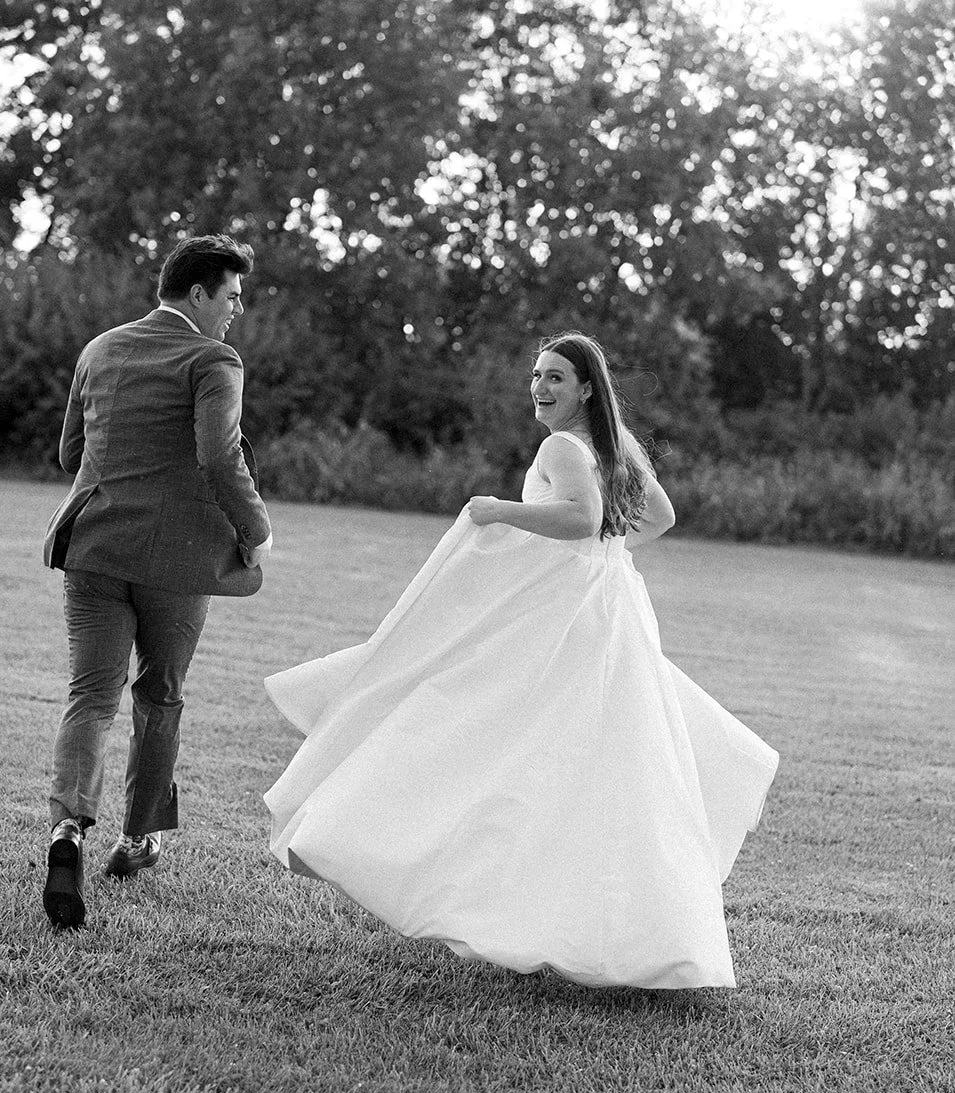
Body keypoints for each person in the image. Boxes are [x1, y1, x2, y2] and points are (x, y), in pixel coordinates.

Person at [263, 331, 778, 989]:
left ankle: (396, 844)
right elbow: (656, 517)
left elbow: (578, 517)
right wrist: (608, 556)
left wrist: (499, 509)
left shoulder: (562, 446)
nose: (539, 387)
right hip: (606, 611)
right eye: (536, 376)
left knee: (489, 726)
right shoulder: (613, 447)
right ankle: (614, 927)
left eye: (555, 377)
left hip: (573, 619)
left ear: (586, 387)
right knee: (601, 759)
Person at [41, 234, 272, 931]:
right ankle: (137, 840)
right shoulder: (212, 358)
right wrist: (255, 530)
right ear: (198, 293)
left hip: (94, 547)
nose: (235, 312)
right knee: (160, 694)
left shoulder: (100, 348)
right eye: (230, 297)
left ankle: (67, 832)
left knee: (90, 697)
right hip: (173, 562)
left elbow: (68, 454)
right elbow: (218, 454)